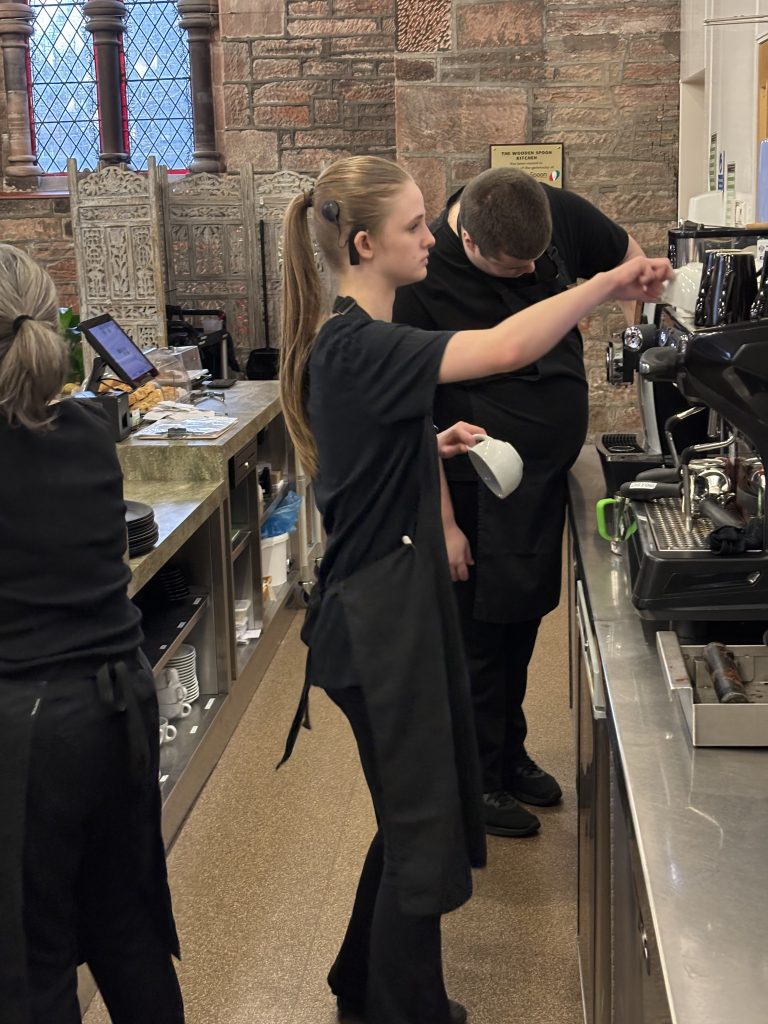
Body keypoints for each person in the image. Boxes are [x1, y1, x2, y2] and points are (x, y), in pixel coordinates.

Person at [277, 155, 670, 1024]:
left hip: (389, 612)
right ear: (366, 243)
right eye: (418, 226)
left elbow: (376, 447)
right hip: (379, 626)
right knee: (425, 834)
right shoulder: (362, 342)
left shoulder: (357, 342)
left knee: (412, 818)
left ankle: (356, 982)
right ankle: (405, 1010)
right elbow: (509, 344)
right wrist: (607, 284)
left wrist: (430, 447)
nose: (432, 237)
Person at [393, 167, 646, 838]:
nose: (532, 273)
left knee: (521, 628)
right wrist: (444, 523)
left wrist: (636, 340)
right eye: (515, 269)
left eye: (538, 264)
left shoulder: (541, 209)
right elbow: (413, 421)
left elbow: (630, 260)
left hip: (535, 488)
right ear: (469, 241)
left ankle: (508, 756)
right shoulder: (420, 282)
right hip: (475, 486)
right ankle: (477, 782)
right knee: (479, 641)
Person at [0, 245, 184, 1024]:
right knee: (125, 924)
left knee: (30, 955)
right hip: (121, 705)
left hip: (33, 731)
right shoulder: (85, 423)